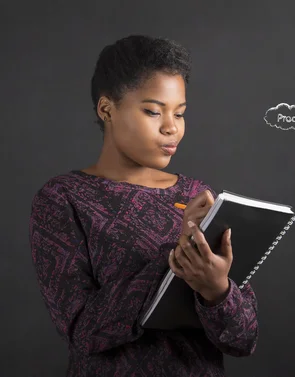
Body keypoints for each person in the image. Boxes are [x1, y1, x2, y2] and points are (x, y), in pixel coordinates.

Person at [28, 35, 258, 376]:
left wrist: (217, 291)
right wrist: (173, 261)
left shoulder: (197, 196)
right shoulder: (64, 198)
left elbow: (243, 340)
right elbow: (82, 332)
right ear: (107, 109)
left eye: (179, 113)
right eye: (153, 111)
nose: (172, 127)